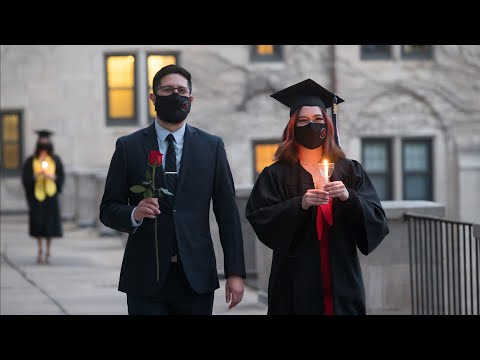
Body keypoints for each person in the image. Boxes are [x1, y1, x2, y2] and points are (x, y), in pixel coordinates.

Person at [99, 64, 246, 315]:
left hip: (196, 277)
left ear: (190, 99)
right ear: (153, 98)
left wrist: (235, 272)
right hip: (144, 277)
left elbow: (228, 215)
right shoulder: (128, 146)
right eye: (167, 90)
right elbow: (108, 209)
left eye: (181, 90)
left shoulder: (211, 147)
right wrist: (134, 213)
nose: (175, 95)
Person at [245, 79, 390, 315]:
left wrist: (348, 197)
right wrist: (299, 205)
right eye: (302, 121)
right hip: (294, 276)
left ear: (328, 125)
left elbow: (376, 220)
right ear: (292, 127)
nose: (310, 126)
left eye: (317, 120)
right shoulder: (276, 174)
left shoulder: (349, 170)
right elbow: (260, 216)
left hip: (342, 274)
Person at [21, 130, 65, 264]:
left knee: (50, 225)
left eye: (46, 141)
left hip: (50, 196)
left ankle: (48, 251)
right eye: (42, 141)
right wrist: (36, 176)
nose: (44, 144)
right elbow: (26, 178)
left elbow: (61, 176)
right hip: (37, 196)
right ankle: (40, 249)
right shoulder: (31, 160)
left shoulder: (55, 160)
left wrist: (53, 177)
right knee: (38, 224)